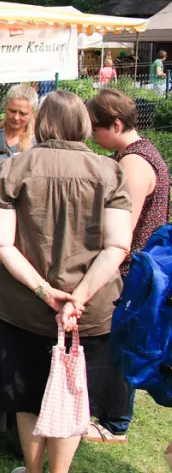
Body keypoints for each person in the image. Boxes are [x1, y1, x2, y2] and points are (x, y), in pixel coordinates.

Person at [0, 90, 132, 473]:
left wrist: (43, 290)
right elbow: (118, 245)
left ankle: (33, 471)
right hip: (88, 309)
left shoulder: (13, 168)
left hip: (25, 306)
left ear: (43, 121)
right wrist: (78, 297)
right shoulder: (110, 171)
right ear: (83, 123)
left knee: (28, 394)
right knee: (72, 391)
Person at [85, 88, 170, 443]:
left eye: (96, 128)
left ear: (115, 124)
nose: (92, 135)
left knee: (120, 342)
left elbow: (125, 225)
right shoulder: (139, 152)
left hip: (131, 270)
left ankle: (114, 421)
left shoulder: (133, 163)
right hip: (136, 268)